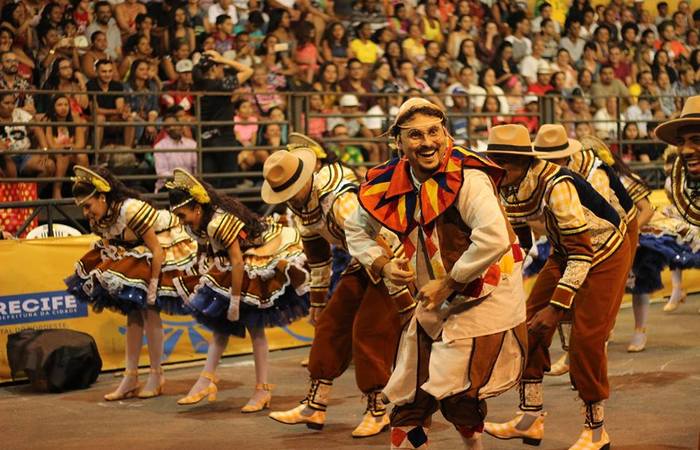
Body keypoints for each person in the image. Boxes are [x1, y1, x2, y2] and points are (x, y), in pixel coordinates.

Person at [343, 98, 526, 450]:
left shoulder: (468, 178)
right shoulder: (388, 183)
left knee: (459, 392)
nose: (427, 142)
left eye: (433, 131)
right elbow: (355, 228)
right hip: (434, 298)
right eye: (415, 135)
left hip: (485, 295)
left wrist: (451, 282)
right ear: (398, 142)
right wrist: (380, 263)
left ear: (445, 133)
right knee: (410, 396)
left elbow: (494, 237)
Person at [483, 124, 631, 450]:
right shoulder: (507, 182)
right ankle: (529, 418)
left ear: (523, 163)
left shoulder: (557, 185)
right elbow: (518, 236)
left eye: (503, 163)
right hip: (565, 250)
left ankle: (596, 431)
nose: (495, 168)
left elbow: (583, 253)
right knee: (527, 327)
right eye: (493, 161)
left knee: (586, 339)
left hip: (603, 251)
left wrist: (556, 308)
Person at [262, 147, 416, 438]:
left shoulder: (339, 200)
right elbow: (318, 258)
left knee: (369, 330)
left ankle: (378, 410)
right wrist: (317, 303)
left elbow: (381, 239)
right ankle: (315, 404)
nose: (290, 197)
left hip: (393, 259)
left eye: (291, 190)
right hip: (364, 260)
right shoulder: (302, 205)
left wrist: (402, 295)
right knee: (331, 323)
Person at [167, 168, 309, 411]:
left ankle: (261, 389)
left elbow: (237, 262)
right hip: (233, 265)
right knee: (220, 325)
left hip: (256, 258)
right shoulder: (198, 224)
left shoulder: (219, 222)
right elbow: (208, 251)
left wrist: (234, 300)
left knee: (254, 325)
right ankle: (206, 379)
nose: (182, 222)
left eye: (182, 215)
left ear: (197, 209)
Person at [64, 165, 197, 401]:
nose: (85, 212)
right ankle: (131, 376)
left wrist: (154, 286)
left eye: (87, 205)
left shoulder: (131, 210)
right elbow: (111, 244)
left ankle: (157, 375)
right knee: (133, 312)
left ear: (102, 197)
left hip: (164, 243)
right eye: (82, 207)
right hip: (134, 251)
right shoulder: (100, 218)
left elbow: (156, 250)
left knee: (149, 309)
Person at [193, 49, 253, 188]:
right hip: (224, 141)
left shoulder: (198, 84)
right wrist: (223, 59)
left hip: (205, 141)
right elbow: (248, 71)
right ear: (214, 68)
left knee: (209, 186)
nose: (223, 70)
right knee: (229, 185)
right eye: (220, 67)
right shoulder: (219, 85)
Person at [45, 94, 88, 199]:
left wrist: (71, 147)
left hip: (71, 152)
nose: (63, 108)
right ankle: (56, 190)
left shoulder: (75, 120)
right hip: (54, 154)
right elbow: (50, 145)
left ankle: (81, 189)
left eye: (66, 105)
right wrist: (62, 148)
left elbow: (81, 143)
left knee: (82, 156)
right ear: (53, 108)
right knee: (63, 155)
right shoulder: (49, 121)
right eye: (59, 105)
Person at [153, 111, 197, 192]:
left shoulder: (192, 144)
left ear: (179, 125)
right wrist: (182, 180)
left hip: (190, 186)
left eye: (173, 124)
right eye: (168, 126)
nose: (172, 128)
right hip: (168, 186)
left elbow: (197, 167)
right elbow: (162, 173)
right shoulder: (159, 147)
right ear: (165, 129)